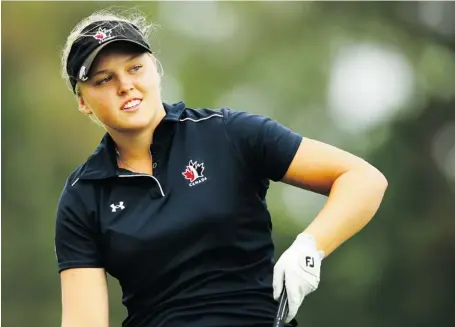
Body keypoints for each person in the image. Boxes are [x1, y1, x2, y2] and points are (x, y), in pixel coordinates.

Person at [55, 8, 388, 327]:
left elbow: (362, 180)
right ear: (83, 102)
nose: (125, 85)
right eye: (103, 79)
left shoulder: (227, 132)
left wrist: (309, 248)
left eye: (135, 68)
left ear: (155, 68)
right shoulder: (84, 195)